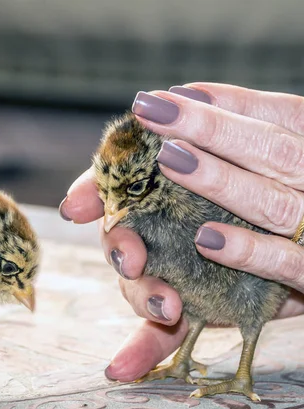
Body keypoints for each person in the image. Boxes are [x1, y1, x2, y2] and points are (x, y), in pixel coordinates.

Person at [59, 83, 304, 382]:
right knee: (185, 301)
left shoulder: (201, 199)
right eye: (107, 194)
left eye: (135, 189)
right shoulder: (141, 214)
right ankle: (183, 359)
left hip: (248, 289)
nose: (111, 210)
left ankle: (242, 376)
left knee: (247, 299)